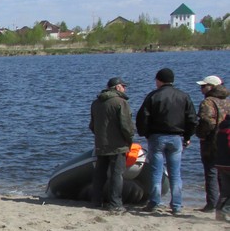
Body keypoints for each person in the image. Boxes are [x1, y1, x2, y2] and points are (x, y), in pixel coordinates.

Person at [134, 67, 197, 215]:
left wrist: (145, 133)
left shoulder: (153, 96)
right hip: (176, 138)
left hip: (157, 137)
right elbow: (192, 119)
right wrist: (188, 136)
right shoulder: (183, 96)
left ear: (159, 80)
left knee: (156, 172)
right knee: (175, 173)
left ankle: (155, 202)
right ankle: (176, 205)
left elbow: (142, 117)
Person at [89, 77, 134, 212]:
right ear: (117, 87)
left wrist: (100, 137)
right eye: (123, 86)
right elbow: (126, 126)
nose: (125, 89)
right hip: (118, 145)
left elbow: (92, 125)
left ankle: (96, 201)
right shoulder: (120, 102)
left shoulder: (96, 103)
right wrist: (129, 140)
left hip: (101, 143)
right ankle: (115, 203)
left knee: (100, 173)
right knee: (116, 174)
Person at [194, 75, 230, 212]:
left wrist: (201, 134)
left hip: (211, 142)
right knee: (223, 173)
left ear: (212, 87)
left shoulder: (208, 102)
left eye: (204, 86)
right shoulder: (227, 101)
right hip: (225, 142)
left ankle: (212, 204)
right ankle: (223, 204)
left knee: (211, 172)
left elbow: (207, 122)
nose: (201, 89)